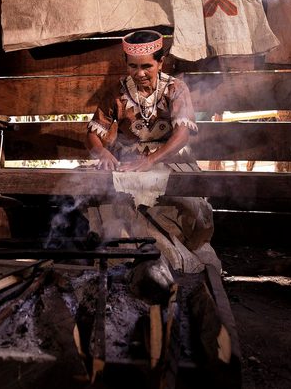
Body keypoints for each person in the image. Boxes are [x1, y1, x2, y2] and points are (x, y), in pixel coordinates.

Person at [83, 29, 218, 273]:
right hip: (129, 161)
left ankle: (171, 253)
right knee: (108, 196)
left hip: (170, 157)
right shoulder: (117, 92)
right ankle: (123, 255)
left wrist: (151, 160)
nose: (140, 73)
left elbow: (182, 135)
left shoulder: (175, 88)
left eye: (146, 66)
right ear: (126, 63)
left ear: (160, 62)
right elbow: (94, 132)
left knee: (182, 203)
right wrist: (102, 153)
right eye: (133, 66)